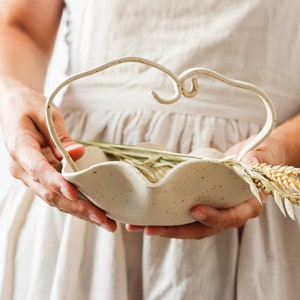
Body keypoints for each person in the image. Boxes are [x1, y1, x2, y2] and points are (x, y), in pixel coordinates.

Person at [0, 0, 300, 299]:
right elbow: (21, 25)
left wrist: (284, 147)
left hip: (252, 185)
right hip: (79, 178)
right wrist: (13, 95)